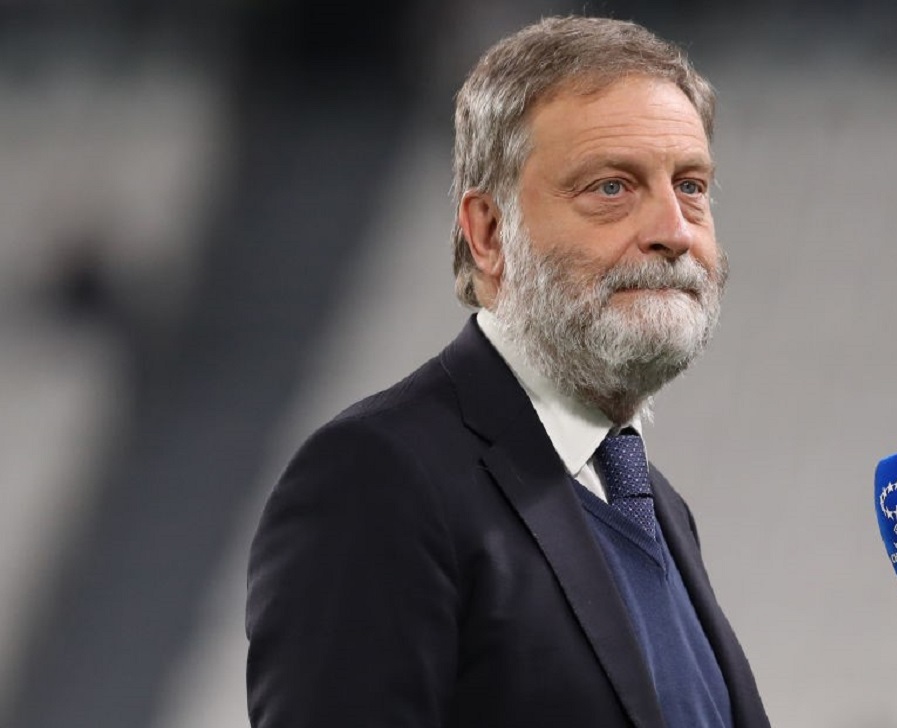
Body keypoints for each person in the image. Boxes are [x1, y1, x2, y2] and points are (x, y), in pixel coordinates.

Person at [246, 15, 771, 728]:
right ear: (489, 233)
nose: (674, 231)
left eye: (691, 186)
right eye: (611, 188)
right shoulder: (377, 480)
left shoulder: (655, 506)